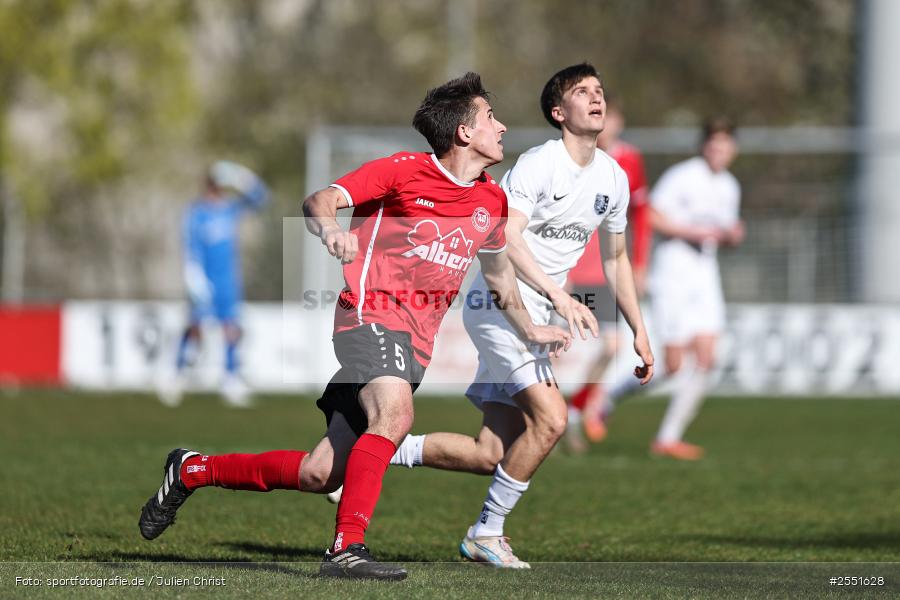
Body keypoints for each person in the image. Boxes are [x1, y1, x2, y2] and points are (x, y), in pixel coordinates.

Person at [137, 72, 571, 581]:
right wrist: (333, 233)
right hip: (368, 317)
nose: (502, 126)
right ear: (463, 133)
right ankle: (347, 548)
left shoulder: (490, 201)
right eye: (490, 117)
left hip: (417, 344)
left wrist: (532, 328)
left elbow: (499, 275)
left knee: (320, 472)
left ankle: (191, 469)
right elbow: (318, 202)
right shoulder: (401, 171)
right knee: (396, 414)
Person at [342, 64, 654, 568]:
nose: (596, 98)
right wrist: (560, 295)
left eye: (599, 91)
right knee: (553, 419)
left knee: (491, 451)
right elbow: (503, 238)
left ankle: (375, 452)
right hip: (498, 304)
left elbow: (616, 259)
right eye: (582, 92)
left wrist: (641, 331)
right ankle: (486, 532)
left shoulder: (613, 179)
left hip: (538, 307)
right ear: (559, 112)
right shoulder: (539, 165)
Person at [644, 118, 744, 460]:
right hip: (672, 273)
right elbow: (651, 216)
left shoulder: (730, 186)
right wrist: (690, 232)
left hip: (705, 276)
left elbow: (723, 231)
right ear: (704, 146)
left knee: (706, 359)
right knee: (672, 366)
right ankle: (606, 401)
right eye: (714, 145)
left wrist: (733, 236)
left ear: (733, 150)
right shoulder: (682, 176)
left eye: (725, 146)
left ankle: (668, 437)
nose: (719, 152)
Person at [564, 94, 651, 450]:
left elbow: (642, 215)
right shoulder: (578, 157)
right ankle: (544, 414)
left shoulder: (629, 159)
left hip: (608, 269)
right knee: (560, 348)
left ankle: (574, 409)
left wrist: (641, 263)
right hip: (575, 267)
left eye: (611, 116)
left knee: (612, 345)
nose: (606, 123)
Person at [158, 161, 270, 408]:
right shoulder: (196, 213)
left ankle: (230, 378)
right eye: (216, 185)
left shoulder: (229, 210)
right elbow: (190, 246)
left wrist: (241, 177)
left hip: (227, 280)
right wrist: (193, 276)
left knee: (230, 328)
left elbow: (262, 198)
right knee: (195, 327)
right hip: (203, 279)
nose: (219, 190)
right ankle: (176, 374)